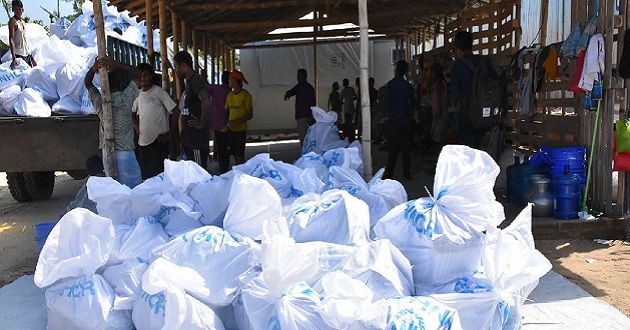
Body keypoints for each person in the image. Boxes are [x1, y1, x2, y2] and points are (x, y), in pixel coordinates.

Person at [84, 58, 142, 188]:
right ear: (120, 82)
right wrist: (117, 64)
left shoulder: (99, 102)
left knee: (115, 189)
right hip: (125, 152)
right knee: (133, 190)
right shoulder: (125, 99)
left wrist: (94, 69)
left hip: (107, 152)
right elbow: (139, 75)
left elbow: (88, 84)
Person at [450, 31, 497, 148]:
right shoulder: (484, 62)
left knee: (467, 155)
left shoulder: (458, 66)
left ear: (458, 49)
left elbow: (454, 96)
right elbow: (495, 84)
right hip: (487, 118)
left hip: (467, 119)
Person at [132, 63, 179, 180]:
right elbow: (132, 113)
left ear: (151, 76)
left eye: (146, 75)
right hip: (143, 142)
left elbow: (175, 111)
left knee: (159, 175)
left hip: (158, 141)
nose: (143, 78)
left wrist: (170, 133)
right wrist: (136, 126)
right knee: (146, 176)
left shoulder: (159, 92)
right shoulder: (137, 95)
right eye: (140, 76)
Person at [173, 51, 212, 170]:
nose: (176, 71)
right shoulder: (190, 82)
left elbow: (206, 101)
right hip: (189, 138)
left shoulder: (196, 80)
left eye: (176, 67)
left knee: (198, 173)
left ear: (183, 66)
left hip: (196, 140)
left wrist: (201, 123)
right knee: (193, 173)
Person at [384, 60, 416, 181]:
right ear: (406, 71)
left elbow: (387, 103)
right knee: (406, 148)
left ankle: (389, 174)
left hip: (393, 119)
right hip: (405, 119)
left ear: (396, 69)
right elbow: (413, 103)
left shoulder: (391, 85)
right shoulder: (408, 86)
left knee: (393, 148)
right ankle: (406, 173)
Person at [224, 70, 253, 166]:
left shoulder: (246, 95)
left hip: (240, 131)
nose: (228, 81)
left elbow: (249, 115)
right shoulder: (229, 95)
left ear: (235, 81)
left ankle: (242, 174)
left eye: (230, 79)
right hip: (230, 130)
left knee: (239, 155)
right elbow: (226, 111)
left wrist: (235, 122)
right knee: (232, 154)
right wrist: (225, 124)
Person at [284, 69, 316, 146]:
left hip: (305, 116)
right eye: (297, 76)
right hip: (300, 115)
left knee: (305, 138)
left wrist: (311, 117)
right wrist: (287, 94)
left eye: (299, 76)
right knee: (303, 137)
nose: (298, 78)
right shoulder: (299, 87)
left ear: (304, 77)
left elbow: (312, 103)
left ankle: (306, 154)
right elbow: (292, 91)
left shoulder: (308, 88)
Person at [208, 71, 232, 174]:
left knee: (220, 145)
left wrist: (204, 77)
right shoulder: (230, 92)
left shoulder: (215, 88)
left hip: (216, 122)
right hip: (227, 123)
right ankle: (225, 168)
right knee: (226, 148)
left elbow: (205, 87)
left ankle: (221, 166)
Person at [8, 0, 36, 69]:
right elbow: (11, 39)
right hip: (19, 55)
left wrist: (32, 58)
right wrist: (14, 58)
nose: (18, 11)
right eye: (15, 9)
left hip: (27, 55)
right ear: (13, 10)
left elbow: (26, 41)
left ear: (22, 10)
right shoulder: (13, 21)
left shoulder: (23, 22)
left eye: (19, 9)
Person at [430, 63, 449, 149]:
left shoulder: (439, 84)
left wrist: (438, 111)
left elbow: (438, 98)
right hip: (441, 110)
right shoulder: (442, 83)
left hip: (440, 111)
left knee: (438, 135)